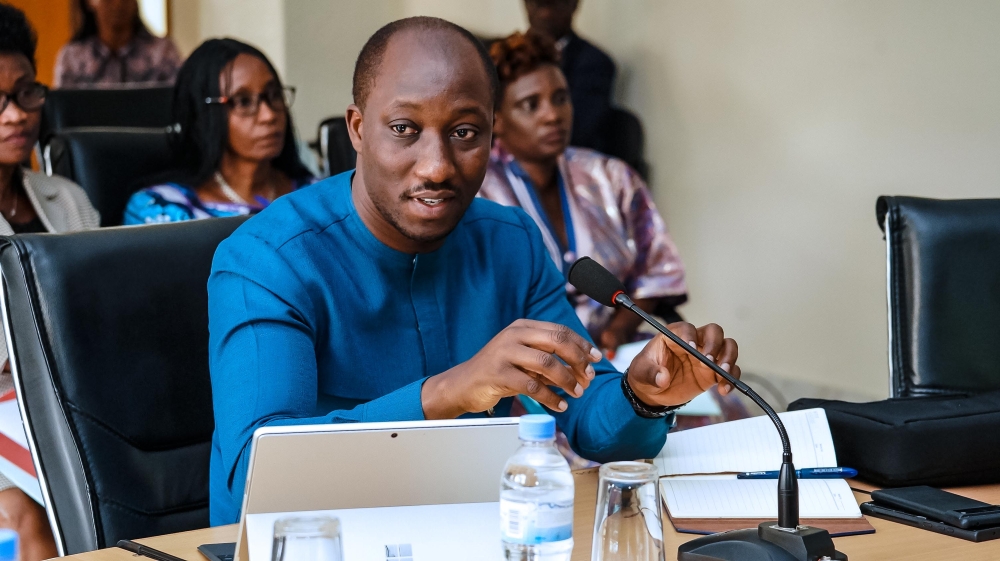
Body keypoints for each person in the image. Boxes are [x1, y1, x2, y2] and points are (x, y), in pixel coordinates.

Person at [208, 16, 741, 525]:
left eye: (464, 132)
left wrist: (641, 397)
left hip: (473, 531)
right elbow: (253, 476)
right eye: (404, 128)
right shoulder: (267, 260)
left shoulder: (511, 242)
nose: (437, 166)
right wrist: (448, 392)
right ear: (358, 128)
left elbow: (584, 413)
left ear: (492, 134)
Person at [480, 31, 687, 354]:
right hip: (524, 366)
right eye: (530, 105)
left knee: (703, 391)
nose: (553, 115)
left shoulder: (611, 177)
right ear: (497, 121)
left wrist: (616, 333)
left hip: (615, 355)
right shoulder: (477, 195)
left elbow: (655, 273)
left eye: (561, 98)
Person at [0, 4, 100, 560]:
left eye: (26, 93)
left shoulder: (69, 199)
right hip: (9, 408)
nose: (16, 115)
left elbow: (107, 310)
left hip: (75, 393)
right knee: (39, 514)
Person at [123, 39, 313, 225]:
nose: (269, 115)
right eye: (243, 101)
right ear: (202, 114)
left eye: (274, 95)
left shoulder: (320, 196)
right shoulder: (161, 209)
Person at [524, 0, 614, 152]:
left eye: (553, 4)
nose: (545, 13)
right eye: (538, 4)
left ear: (573, 5)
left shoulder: (595, 63)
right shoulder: (501, 56)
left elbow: (575, 131)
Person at [54, 0, 181, 89]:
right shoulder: (72, 58)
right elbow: (64, 113)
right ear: (89, 2)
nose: (118, 4)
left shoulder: (163, 53)